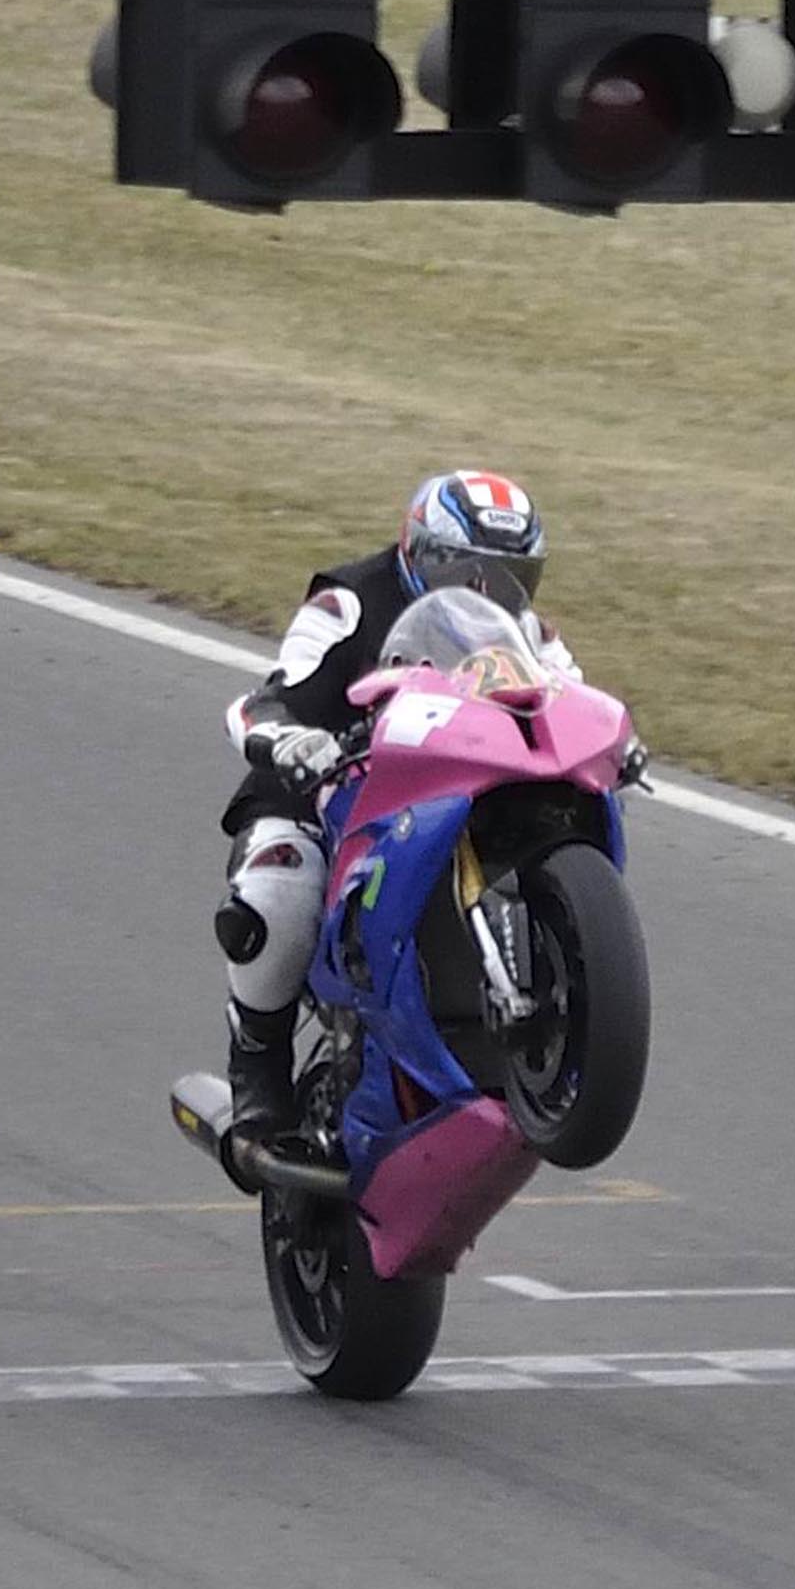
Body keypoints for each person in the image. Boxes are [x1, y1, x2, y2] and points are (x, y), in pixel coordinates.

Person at [212, 469, 612, 1140]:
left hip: (455, 790)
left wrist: (612, 745)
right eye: (465, 571)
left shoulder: (527, 631)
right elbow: (270, 698)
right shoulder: (346, 602)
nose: (486, 591)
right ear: (418, 552)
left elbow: (570, 698)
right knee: (279, 883)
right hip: (327, 790)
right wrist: (295, 740)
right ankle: (256, 1059)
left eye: (511, 577)